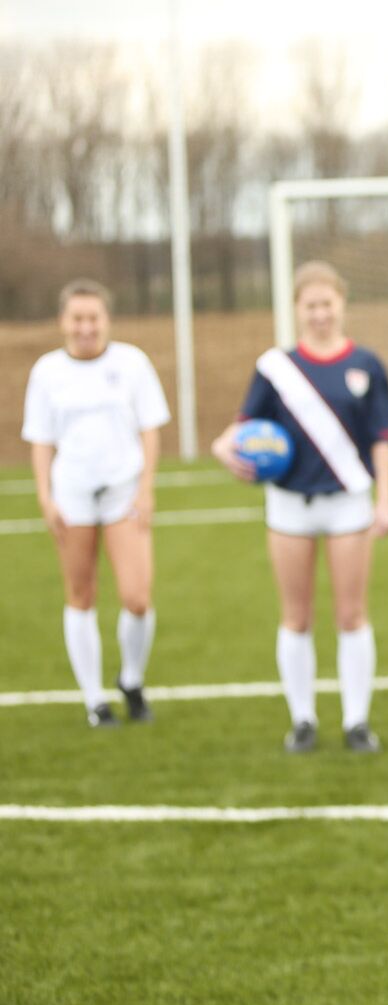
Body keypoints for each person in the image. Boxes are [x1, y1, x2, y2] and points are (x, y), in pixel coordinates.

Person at [210, 261, 388, 753]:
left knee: (352, 614)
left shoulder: (367, 365)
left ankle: (357, 722)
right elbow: (242, 426)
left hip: (348, 504)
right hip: (290, 504)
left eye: (327, 304)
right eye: (310, 305)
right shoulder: (275, 367)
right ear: (297, 309)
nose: (319, 313)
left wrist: (385, 499)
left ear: (342, 305)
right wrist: (222, 449)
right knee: (295, 616)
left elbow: (381, 439)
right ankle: (303, 720)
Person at [22, 279, 170, 727]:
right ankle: (95, 700)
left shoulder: (132, 363)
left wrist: (146, 487)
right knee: (81, 594)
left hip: (123, 491)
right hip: (73, 495)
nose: (86, 327)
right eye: (77, 318)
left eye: (94, 318)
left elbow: (150, 429)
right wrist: (46, 497)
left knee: (137, 597)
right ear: (64, 322)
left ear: (106, 320)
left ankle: (131, 678)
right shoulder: (47, 371)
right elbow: (42, 441)